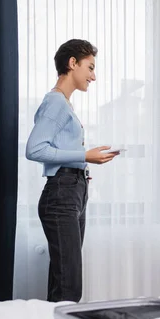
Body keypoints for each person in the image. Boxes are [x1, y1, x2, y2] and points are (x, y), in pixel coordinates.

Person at [26, 39, 119, 302]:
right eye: (90, 67)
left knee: (64, 280)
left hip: (74, 191)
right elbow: (34, 149)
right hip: (62, 194)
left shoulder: (63, 103)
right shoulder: (56, 102)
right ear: (72, 63)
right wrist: (84, 155)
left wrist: (87, 158)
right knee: (69, 287)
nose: (94, 76)